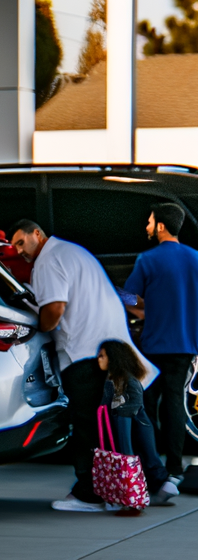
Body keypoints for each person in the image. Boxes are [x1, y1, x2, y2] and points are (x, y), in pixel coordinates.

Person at [10, 220, 151, 513]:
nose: (19, 250)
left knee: (86, 425)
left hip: (82, 354)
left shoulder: (48, 260)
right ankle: (129, 488)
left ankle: (90, 493)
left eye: (21, 242)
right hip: (111, 348)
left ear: (37, 234)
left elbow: (54, 310)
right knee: (119, 422)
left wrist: (38, 325)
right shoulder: (74, 251)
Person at [124, 202, 198, 493]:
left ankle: (149, 466)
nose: (147, 227)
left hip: (153, 345)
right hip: (186, 344)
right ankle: (175, 468)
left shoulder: (147, 259)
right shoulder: (196, 258)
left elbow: (129, 298)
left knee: (146, 406)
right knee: (175, 405)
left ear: (162, 226)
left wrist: (142, 307)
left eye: (150, 221)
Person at [97, 340, 172, 505]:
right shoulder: (117, 380)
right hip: (137, 429)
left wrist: (125, 454)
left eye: (102, 356)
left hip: (132, 430)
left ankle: (136, 495)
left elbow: (125, 414)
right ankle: (160, 487)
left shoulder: (124, 382)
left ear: (114, 358)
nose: (98, 359)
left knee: (141, 458)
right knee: (147, 458)